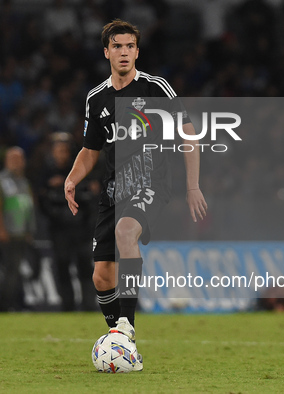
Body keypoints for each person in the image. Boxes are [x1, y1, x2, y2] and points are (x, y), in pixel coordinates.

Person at [64, 20, 207, 371]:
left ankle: (125, 326)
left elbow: (190, 135)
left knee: (126, 233)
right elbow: (90, 150)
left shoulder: (156, 88)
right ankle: (122, 340)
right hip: (113, 190)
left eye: (130, 46)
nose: (124, 52)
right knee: (101, 277)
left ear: (137, 52)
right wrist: (72, 177)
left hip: (150, 182)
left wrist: (192, 186)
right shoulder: (96, 98)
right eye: (117, 46)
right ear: (107, 52)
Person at [38, 132, 98, 312]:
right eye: (59, 150)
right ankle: (68, 305)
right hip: (59, 229)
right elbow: (42, 201)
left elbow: (91, 197)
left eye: (65, 150)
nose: (62, 154)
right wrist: (55, 213)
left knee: (85, 266)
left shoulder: (79, 170)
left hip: (81, 227)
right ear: (53, 152)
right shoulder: (45, 173)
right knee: (62, 265)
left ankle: (88, 304)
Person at [0, 146, 36, 311]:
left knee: (17, 272)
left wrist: (29, 230)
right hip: (8, 233)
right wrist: (0, 229)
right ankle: (3, 306)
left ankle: (14, 304)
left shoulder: (24, 182)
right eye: (14, 159)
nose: (18, 163)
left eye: (20, 159)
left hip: (22, 233)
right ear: (6, 161)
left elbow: (29, 206)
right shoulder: (0, 181)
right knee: (10, 271)